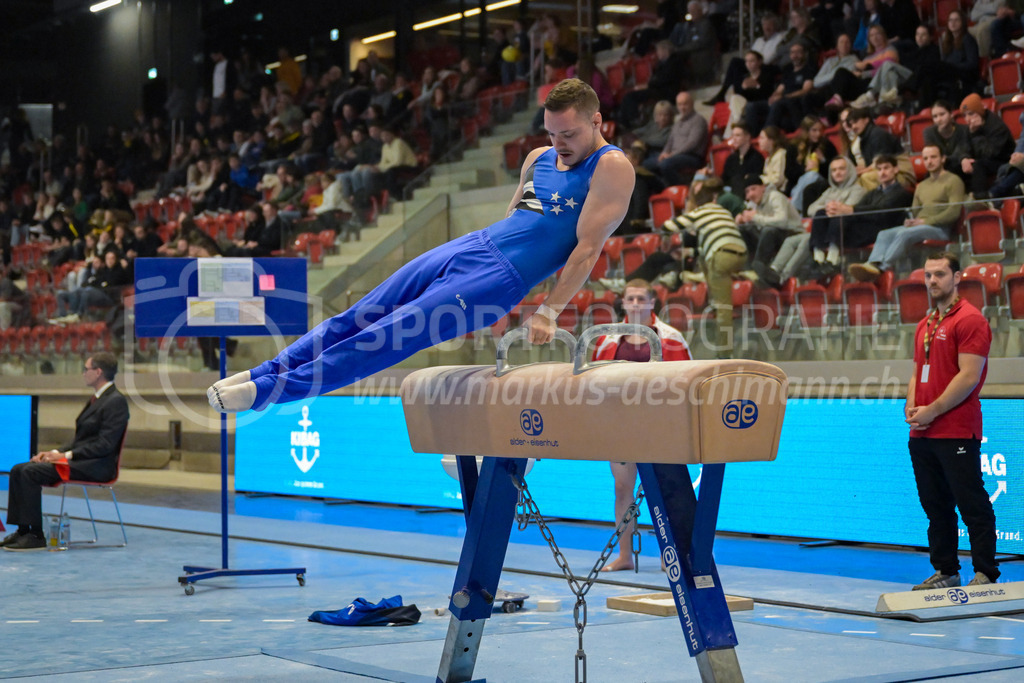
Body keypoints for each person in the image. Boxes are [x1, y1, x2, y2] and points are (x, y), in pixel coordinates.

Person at [207, 78, 634, 413]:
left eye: (569, 134)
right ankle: (263, 372)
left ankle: (270, 392)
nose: (559, 143)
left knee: (385, 337)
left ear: (597, 122)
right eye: (552, 133)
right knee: (357, 317)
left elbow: (587, 248)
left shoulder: (611, 166)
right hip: (474, 246)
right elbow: (513, 221)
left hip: (498, 278)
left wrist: (548, 311)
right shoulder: (539, 158)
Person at [906, 251, 998, 590]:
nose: (932, 281)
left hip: (956, 428)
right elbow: (918, 370)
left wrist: (933, 410)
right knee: (935, 505)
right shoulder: (925, 324)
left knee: (971, 502)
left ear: (957, 278)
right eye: (928, 275)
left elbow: (968, 377)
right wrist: (912, 405)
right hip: (923, 433)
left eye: (940, 274)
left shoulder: (970, 320)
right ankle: (946, 570)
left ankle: (985, 572)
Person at [591, 279, 691, 571]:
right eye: (630, 299)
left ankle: (668, 554)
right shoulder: (607, 340)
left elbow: (687, 381)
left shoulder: (671, 338)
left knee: (665, 489)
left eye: (640, 299)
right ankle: (624, 556)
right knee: (623, 488)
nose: (635, 304)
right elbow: (595, 384)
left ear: (651, 304)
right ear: (623, 303)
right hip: (621, 424)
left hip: (659, 424)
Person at [2, 353, 129, 552]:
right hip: (81, 460)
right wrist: (53, 452)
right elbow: (80, 441)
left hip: (96, 466)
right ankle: (23, 530)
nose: (83, 373)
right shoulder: (98, 399)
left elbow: (104, 445)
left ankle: (35, 535)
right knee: (18, 469)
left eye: (86, 369)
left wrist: (65, 456)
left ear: (98, 372)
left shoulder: (115, 401)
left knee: (29, 473)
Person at [849, 145, 965, 282]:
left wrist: (925, 221)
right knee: (884, 234)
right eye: (926, 158)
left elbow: (953, 212)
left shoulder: (953, 180)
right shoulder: (922, 185)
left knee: (904, 233)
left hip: (941, 229)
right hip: (921, 226)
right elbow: (915, 211)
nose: (929, 161)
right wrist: (911, 221)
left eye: (933, 157)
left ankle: (881, 268)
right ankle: (872, 264)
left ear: (943, 159)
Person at [665, 177, 747, 356]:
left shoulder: (701, 212)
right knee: (706, 260)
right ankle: (705, 279)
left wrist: (688, 212)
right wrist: (691, 253)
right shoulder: (722, 211)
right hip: (740, 254)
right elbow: (709, 244)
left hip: (721, 258)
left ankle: (725, 353)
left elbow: (670, 226)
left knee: (723, 307)